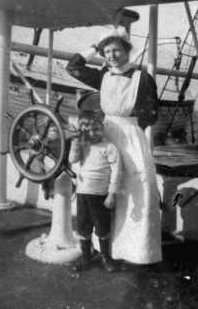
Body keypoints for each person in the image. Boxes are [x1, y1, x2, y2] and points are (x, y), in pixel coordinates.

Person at [66, 26, 162, 265]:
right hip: (104, 137)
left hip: (131, 137)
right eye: (106, 51)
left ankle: (135, 252)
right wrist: (93, 48)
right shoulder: (103, 76)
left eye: (116, 50)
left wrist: (130, 126)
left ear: (127, 51)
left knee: (141, 188)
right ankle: (104, 249)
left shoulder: (143, 78)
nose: (111, 56)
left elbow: (152, 115)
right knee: (99, 192)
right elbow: (74, 67)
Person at [69, 110, 122, 273]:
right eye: (88, 131)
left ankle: (105, 257)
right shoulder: (84, 146)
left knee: (102, 228)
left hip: (101, 197)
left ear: (102, 127)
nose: (92, 134)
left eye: (96, 129)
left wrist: (112, 193)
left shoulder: (109, 147)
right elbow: (72, 159)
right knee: (83, 228)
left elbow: (117, 171)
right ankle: (86, 258)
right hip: (83, 194)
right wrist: (76, 141)